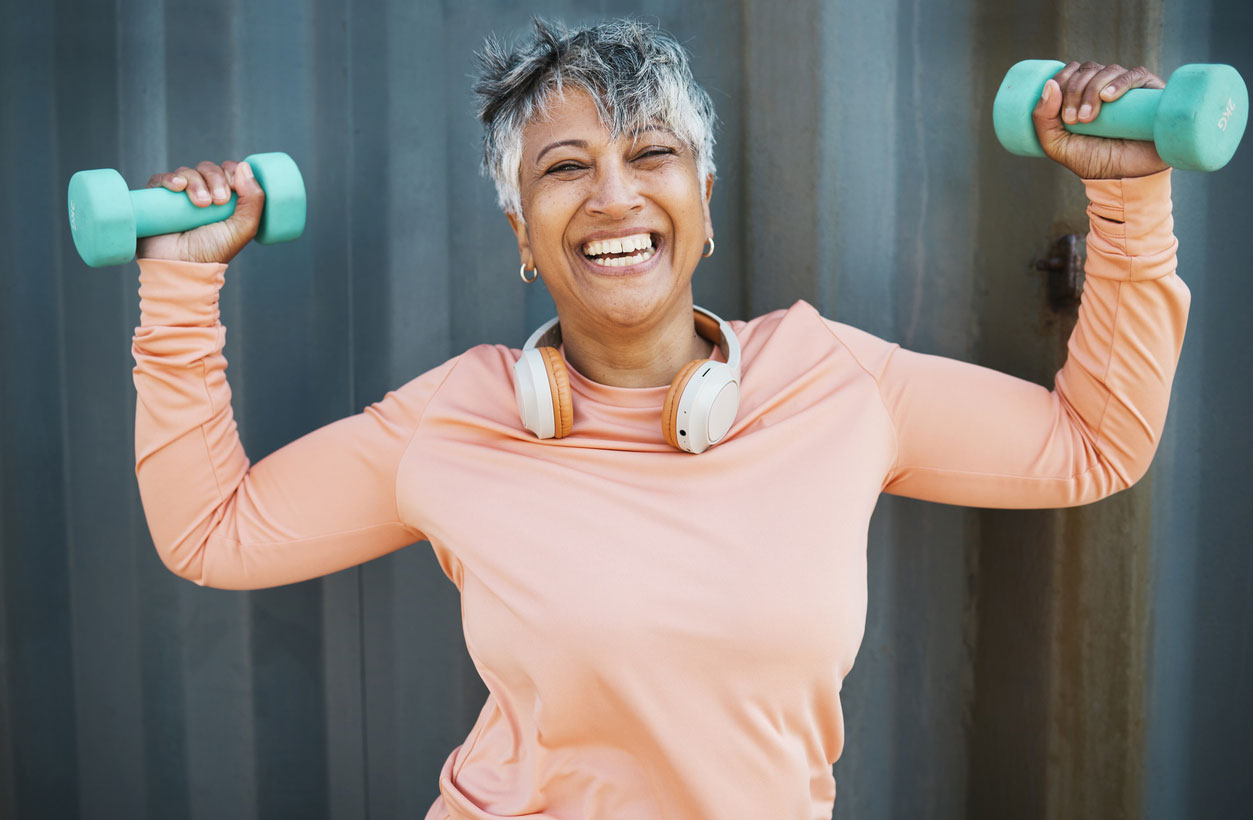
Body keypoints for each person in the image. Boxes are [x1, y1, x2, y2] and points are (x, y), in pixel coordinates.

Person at [130, 18, 1188, 820]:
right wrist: (178, 287)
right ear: (521, 233)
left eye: (650, 155)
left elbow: (1090, 445)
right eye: (563, 169)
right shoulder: (455, 417)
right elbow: (210, 531)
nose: (612, 197)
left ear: (703, 198)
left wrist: (1128, 198)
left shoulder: (832, 380)